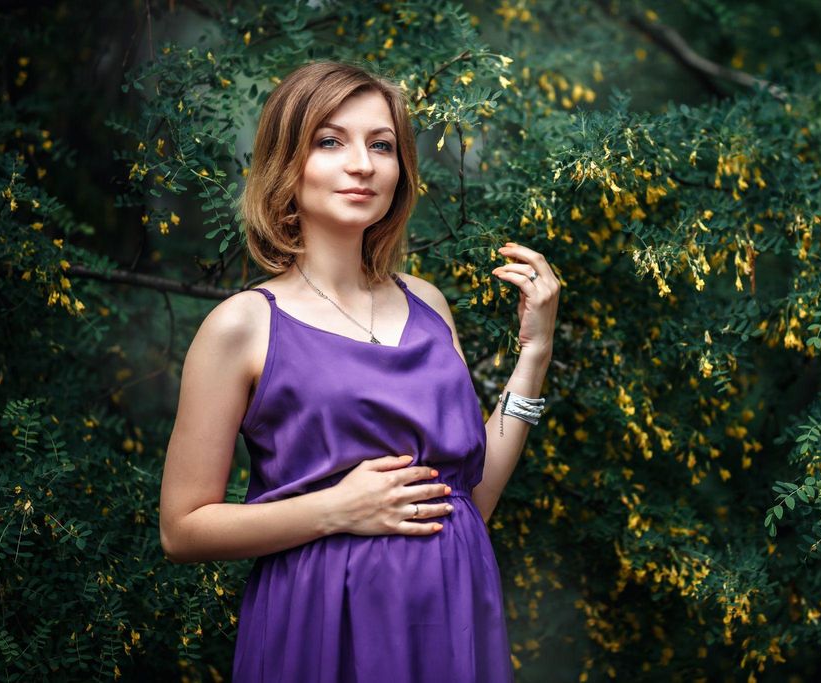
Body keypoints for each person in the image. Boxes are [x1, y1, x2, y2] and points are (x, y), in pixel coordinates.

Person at [159, 59, 560, 682]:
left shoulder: (427, 304)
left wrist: (532, 355)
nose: (363, 164)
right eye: (330, 141)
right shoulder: (243, 325)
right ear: (286, 164)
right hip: (323, 618)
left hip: (451, 611)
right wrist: (336, 510)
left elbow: (469, 499)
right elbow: (182, 531)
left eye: (382, 145)